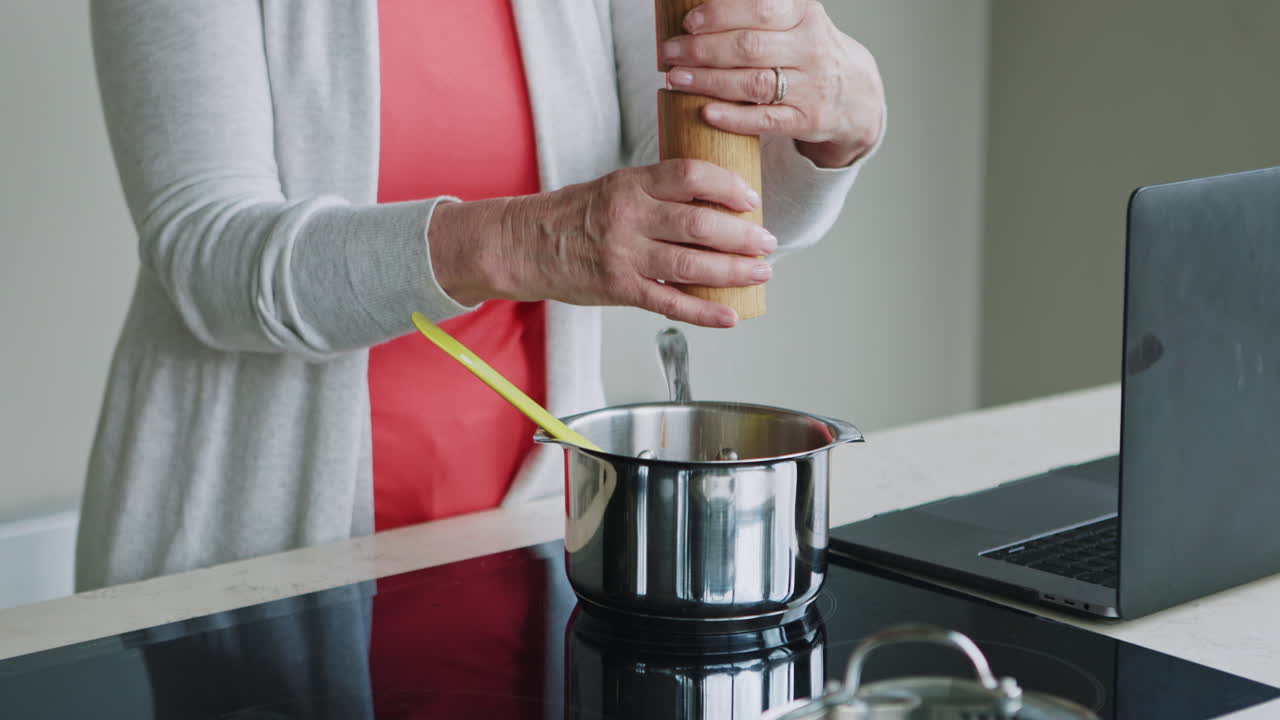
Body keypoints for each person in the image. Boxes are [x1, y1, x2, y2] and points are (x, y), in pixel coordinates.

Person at [77, 0, 885, 591]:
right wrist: (531, 240)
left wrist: (832, 128)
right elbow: (208, 256)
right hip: (247, 567)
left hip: (527, 544)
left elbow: (695, 206)